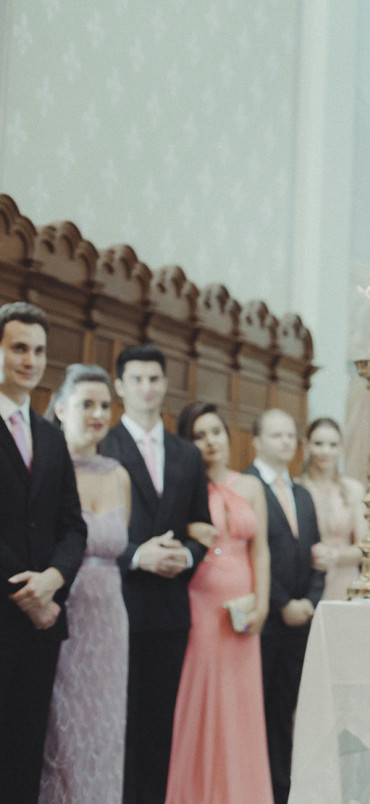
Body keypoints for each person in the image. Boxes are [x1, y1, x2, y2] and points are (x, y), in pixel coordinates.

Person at [100, 343, 211, 804]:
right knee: (116, 721)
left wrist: (185, 556)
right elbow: (78, 528)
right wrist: (134, 554)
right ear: (120, 386)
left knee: (158, 726)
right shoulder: (105, 446)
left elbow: (202, 528)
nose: (146, 388)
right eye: (136, 379)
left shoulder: (187, 454)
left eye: (154, 379)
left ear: (165, 384)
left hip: (169, 610)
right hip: (115, 601)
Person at [0, 303, 87, 804]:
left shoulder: (52, 438)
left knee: (26, 753)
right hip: (7, 612)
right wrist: (28, 592)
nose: (30, 360)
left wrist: (53, 579)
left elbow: (72, 525)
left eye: (38, 351)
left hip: (43, 625)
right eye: (18, 348)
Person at [165, 402, 272, 803]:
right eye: (199, 435)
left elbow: (261, 550)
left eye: (216, 432)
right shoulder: (183, 486)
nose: (210, 442)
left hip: (243, 606)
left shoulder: (251, 486)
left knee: (240, 702)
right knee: (201, 694)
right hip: (201, 600)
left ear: (229, 436)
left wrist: (261, 603)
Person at [39, 365, 131, 802]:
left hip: (110, 619)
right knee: (60, 734)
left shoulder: (118, 474)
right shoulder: (45, 468)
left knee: (105, 729)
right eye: (86, 404)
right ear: (60, 408)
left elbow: (121, 545)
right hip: (63, 609)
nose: (98, 414)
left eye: (104, 405)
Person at [244, 408, 324, 804]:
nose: (286, 443)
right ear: (256, 440)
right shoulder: (246, 485)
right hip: (264, 620)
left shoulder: (303, 494)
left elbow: (316, 555)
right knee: (254, 711)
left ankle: (280, 791)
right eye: (276, 435)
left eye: (291, 435)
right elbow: (250, 557)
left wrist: (309, 600)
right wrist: (282, 604)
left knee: (285, 711)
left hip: (300, 621)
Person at [298, 418, 366, 600]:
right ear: (306, 445)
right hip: (306, 580)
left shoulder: (353, 489)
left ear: (341, 448)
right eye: (318, 444)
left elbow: (365, 546)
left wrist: (335, 556)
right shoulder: (297, 488)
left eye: (333, 445)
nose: (325, 451)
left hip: (345, 578)